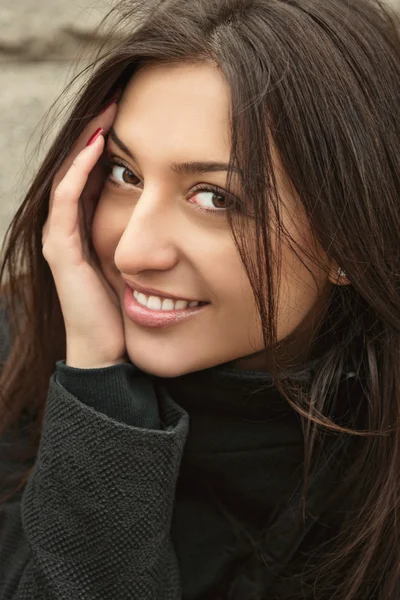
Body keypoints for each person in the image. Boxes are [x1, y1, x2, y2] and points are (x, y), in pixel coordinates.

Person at [1, 0, 400, 597]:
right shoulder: (13, 364)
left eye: (215, 198)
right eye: (124, 174)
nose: (134, 251)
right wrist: (98, 390)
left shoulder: (372, 494)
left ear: (351, 238)